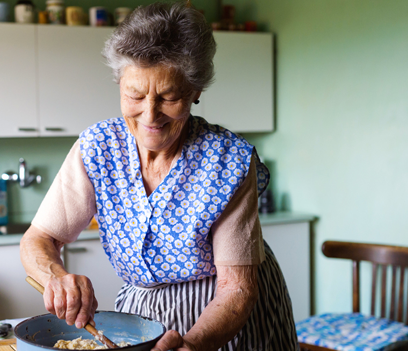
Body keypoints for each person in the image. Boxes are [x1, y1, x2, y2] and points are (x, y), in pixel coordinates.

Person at [20, 3, 298, 350]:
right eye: (134, 95)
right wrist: (56, 277)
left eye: (169, 96)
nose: (150, 115)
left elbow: (235, 288)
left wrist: (194, 343)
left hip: (226, 321)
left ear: (195, 91)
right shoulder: (97, 148)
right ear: (119, 84)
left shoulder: (229, 161)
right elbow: (38, 239)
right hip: (141, 315)